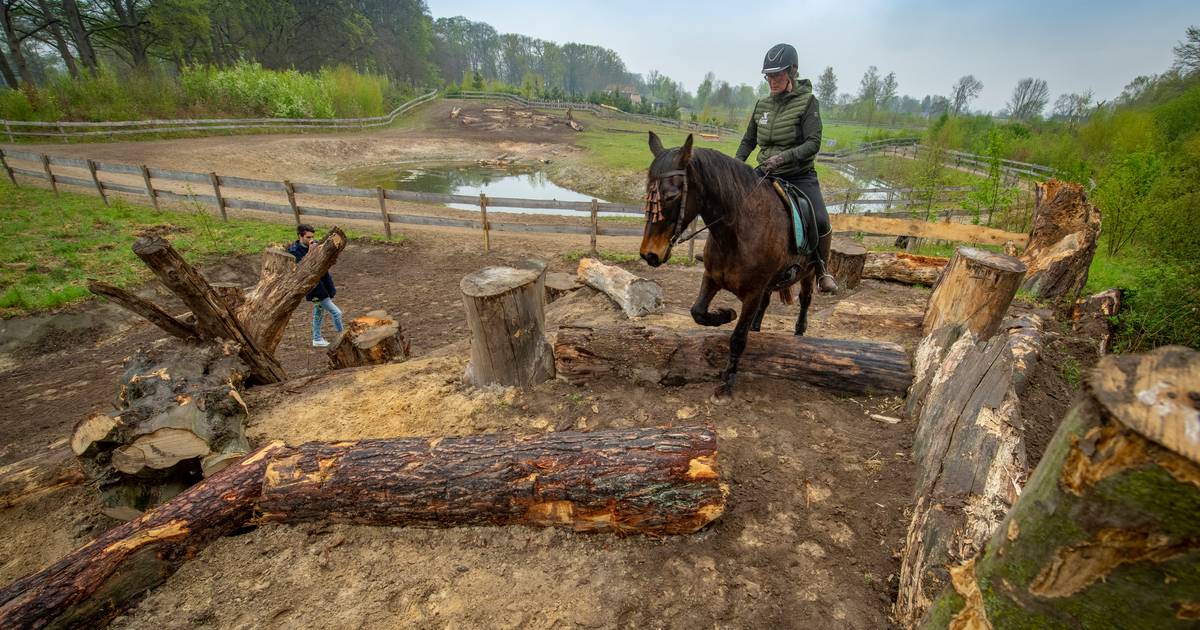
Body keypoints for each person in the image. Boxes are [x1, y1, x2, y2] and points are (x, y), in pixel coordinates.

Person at [734, 43, 838, 293]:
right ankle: (728, 255)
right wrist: (735, 168)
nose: (772, 81)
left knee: (821, 219)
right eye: (768, 76)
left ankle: (821, 269)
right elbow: (748, 141)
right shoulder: (762, 105)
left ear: (792, 72)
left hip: (798, 175)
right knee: (733, 204)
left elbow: (813, 143)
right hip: (765, 172)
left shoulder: (808, 102)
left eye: (777, 75)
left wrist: (782, 159)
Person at [287, 224, 343, 347]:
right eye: (308, 237)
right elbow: (302, 270)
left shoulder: (315, 244)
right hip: (314, 288)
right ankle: (343, 338)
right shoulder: (294, 251)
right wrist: (311, 253)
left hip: (324, 284)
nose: (311, 239)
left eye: (312, 236)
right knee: (337, 313)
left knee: (319, 312)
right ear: (300, 236)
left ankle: (316, 338)